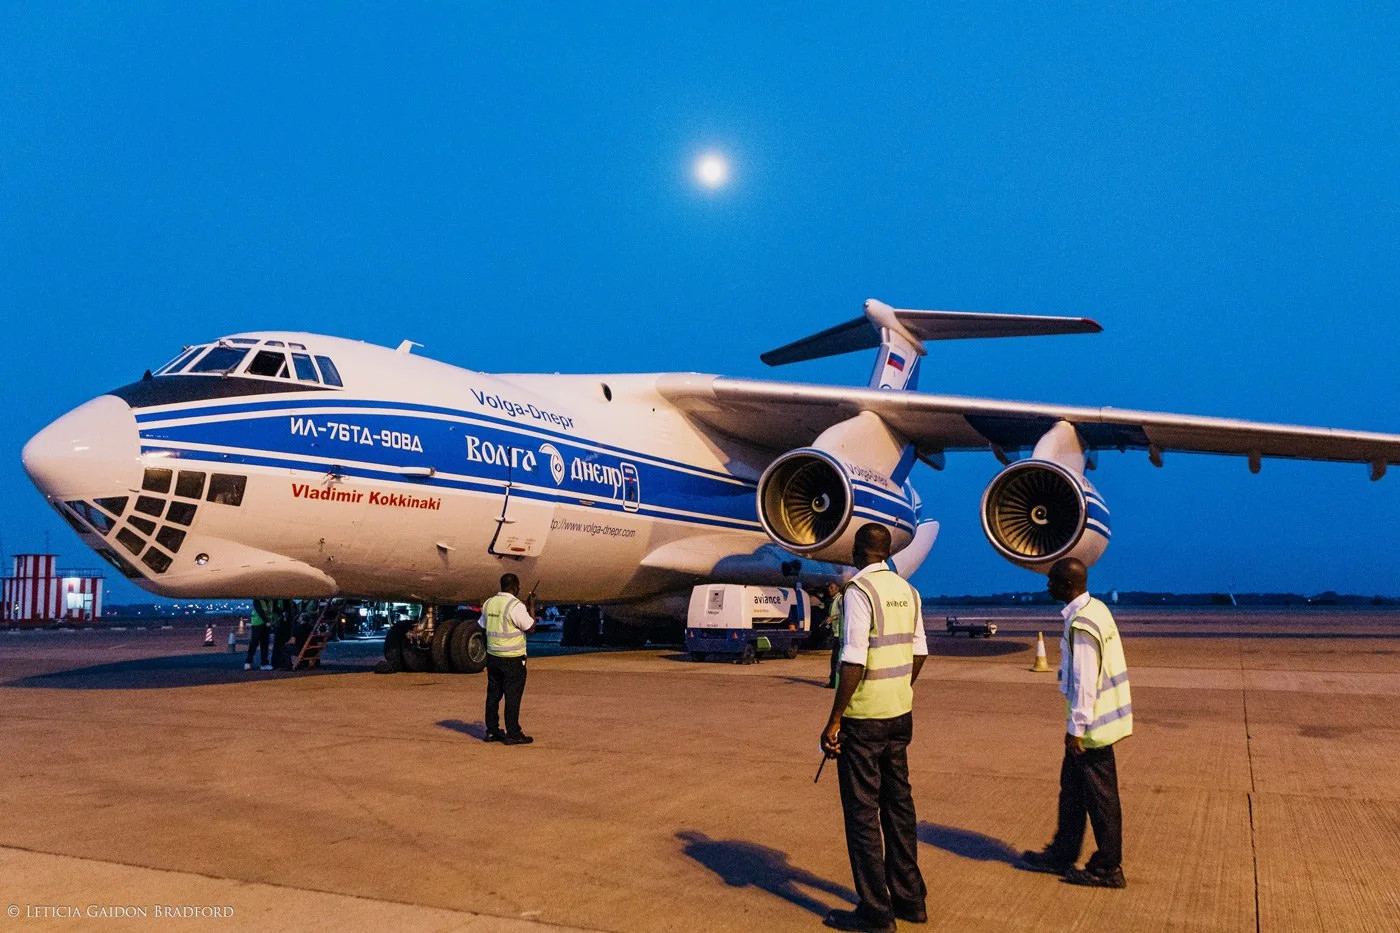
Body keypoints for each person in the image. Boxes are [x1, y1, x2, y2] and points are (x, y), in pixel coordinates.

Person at [818, 524, 929, 932]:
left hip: (864, 720)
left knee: (863, 814)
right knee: (899, 807)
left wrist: (835, 719)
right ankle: (910, 900)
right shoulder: (908, 591)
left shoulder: (858, 592)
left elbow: (853, 659)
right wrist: (899, 686)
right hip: (899, 714)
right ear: (886, 553)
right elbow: (920, 651)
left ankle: (876, 911)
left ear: (857, 552)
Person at [1020, 557, 1132, 888]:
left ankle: (1108, 867)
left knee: (1101, 799)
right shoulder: (1097, 609)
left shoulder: (1082, 623)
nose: (1047, 586)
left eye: (1053, 581)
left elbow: (1085, 682)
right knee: (1072, 792)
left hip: (1092, 728)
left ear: (1068, 585)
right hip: (1093, 724)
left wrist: (1076, 730)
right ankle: (1062, 853)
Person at [482, 573, 538, 746]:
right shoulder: (515, 605)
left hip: (493, 657)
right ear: (515, 587)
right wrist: (531, 607)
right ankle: (513, 733)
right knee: (512, 697)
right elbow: (531, 627)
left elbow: (482, 625)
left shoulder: (489, 603)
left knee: (493, 696)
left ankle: (491, 731)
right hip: (512, 660)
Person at [244, 598, 274, 671]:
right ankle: (248, 662)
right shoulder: (257, 600)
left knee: (264, 644)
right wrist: (266, 621)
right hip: (257, 623)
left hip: (265, 624)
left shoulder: (270, 600)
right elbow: (259, 610)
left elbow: (271, 611)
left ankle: (264, 663)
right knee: (254, 643)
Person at [825, 581, 843, 689]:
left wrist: (833, 618)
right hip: (836, 633)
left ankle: (834, 682)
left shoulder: (840, 599)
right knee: (834, 659)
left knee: (835, 659)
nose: (829, 589)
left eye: (832, 587)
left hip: (839, 634)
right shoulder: (835, 600)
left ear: (838, 588)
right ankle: (834, 681)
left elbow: (843, 613)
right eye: (829, 587)